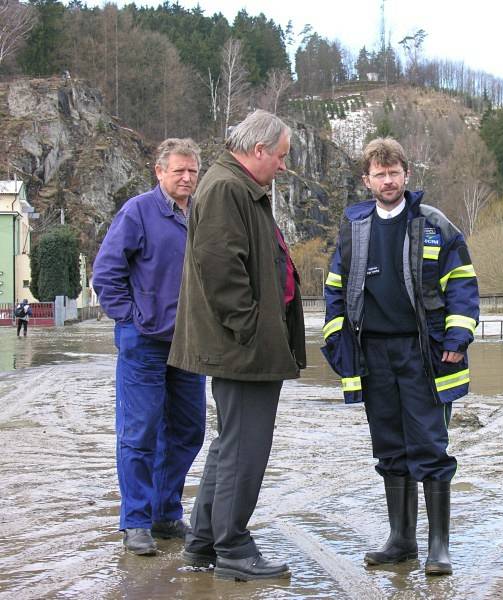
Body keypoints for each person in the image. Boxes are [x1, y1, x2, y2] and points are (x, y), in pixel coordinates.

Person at [322, 137, 480, 576]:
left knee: (430, 446)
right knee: (390, 448)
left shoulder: (434, 224)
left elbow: (463, 284)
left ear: (406, 175)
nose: (387, 180)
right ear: (366, 179)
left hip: (422, 353)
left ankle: (439, 546)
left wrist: (456, 338)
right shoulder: (353, 228)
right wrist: (338, 342)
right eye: (379, 173)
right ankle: (401, 540)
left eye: (394, 173)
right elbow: (334, 290)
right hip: (373, 353)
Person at [167, 110, 306, 581]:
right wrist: (250, 329)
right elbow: (221, 267)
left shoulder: (234, 186)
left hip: (242, 345)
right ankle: (233, 548)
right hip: (242, 349)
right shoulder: (229, 188)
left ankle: (203, 542)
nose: (283, 166)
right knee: (245, 449)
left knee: (230, 445)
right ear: (260, 150)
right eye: (282, 156)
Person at [93, 138, 206, 556]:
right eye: (178, 170)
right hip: (144, 343)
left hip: (190, 344)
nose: (186, 177)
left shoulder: (201, 215)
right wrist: (132, 318)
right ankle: (136, 522)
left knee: (189, 430)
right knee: (139, 432)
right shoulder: (138, 211)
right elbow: (106, 273)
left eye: (192, 170)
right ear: (159, 172)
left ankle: (164, 512)